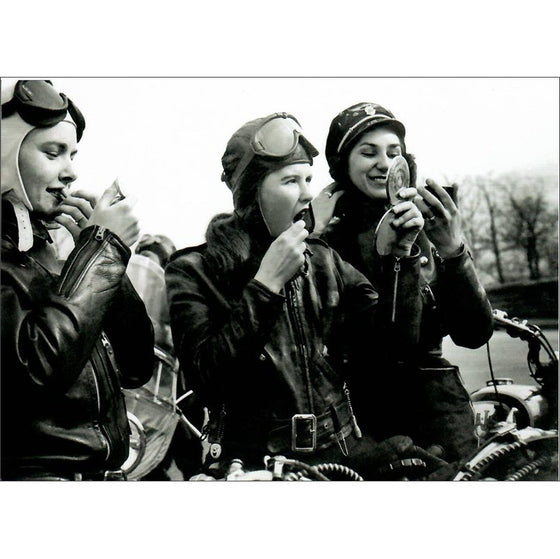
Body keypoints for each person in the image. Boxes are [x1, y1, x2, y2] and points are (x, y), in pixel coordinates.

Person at [165, 112, 446, 480]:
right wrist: (265, 285)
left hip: (343, 451)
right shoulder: (194, 270)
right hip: (254, 465)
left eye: (309, 179)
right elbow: (207, 379)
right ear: (252, 190)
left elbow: (392, 350)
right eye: (290, 180)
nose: (307, 193)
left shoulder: (324, 259)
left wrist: (401, 260)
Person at [312, 102, 494, 462]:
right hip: (366, 418)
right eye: (368, 152)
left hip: (444, 416)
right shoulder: (330, 243)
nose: (384, 163)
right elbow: (387, 349)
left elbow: (474, 334)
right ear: (342, 165)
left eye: (394, 152)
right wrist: (313, 237)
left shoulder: (427, 228)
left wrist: (454, 251)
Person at [1, 79, 154, 480]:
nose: (70, 172)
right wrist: (105, 246)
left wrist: (97, 252)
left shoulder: (44, 249)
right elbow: (34, 370)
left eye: (72, 155)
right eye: (53, 153)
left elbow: (137, 365)